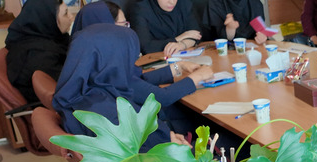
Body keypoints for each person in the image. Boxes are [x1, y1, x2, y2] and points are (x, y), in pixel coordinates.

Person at [52, 24, 213, 152]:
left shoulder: (83, 94)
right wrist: (167, 137)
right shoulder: (109, 111)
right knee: (224, 139)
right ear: (112, 60)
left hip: (144, 152)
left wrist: (166, 135)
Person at [5, 0, 73, 102]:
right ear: (48, 19)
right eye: (65, 14)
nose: (71, 17)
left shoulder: (51, 39)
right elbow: (68, 86)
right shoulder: (38, 55)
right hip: (55, 106)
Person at [133, 0, 201, 57]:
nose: (172, 2)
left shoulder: (183, 3)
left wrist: (182, 45)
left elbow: (196, 34)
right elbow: (146, 46)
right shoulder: (140, 11)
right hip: (156, 60)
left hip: (185, 57)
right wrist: (178, 38)